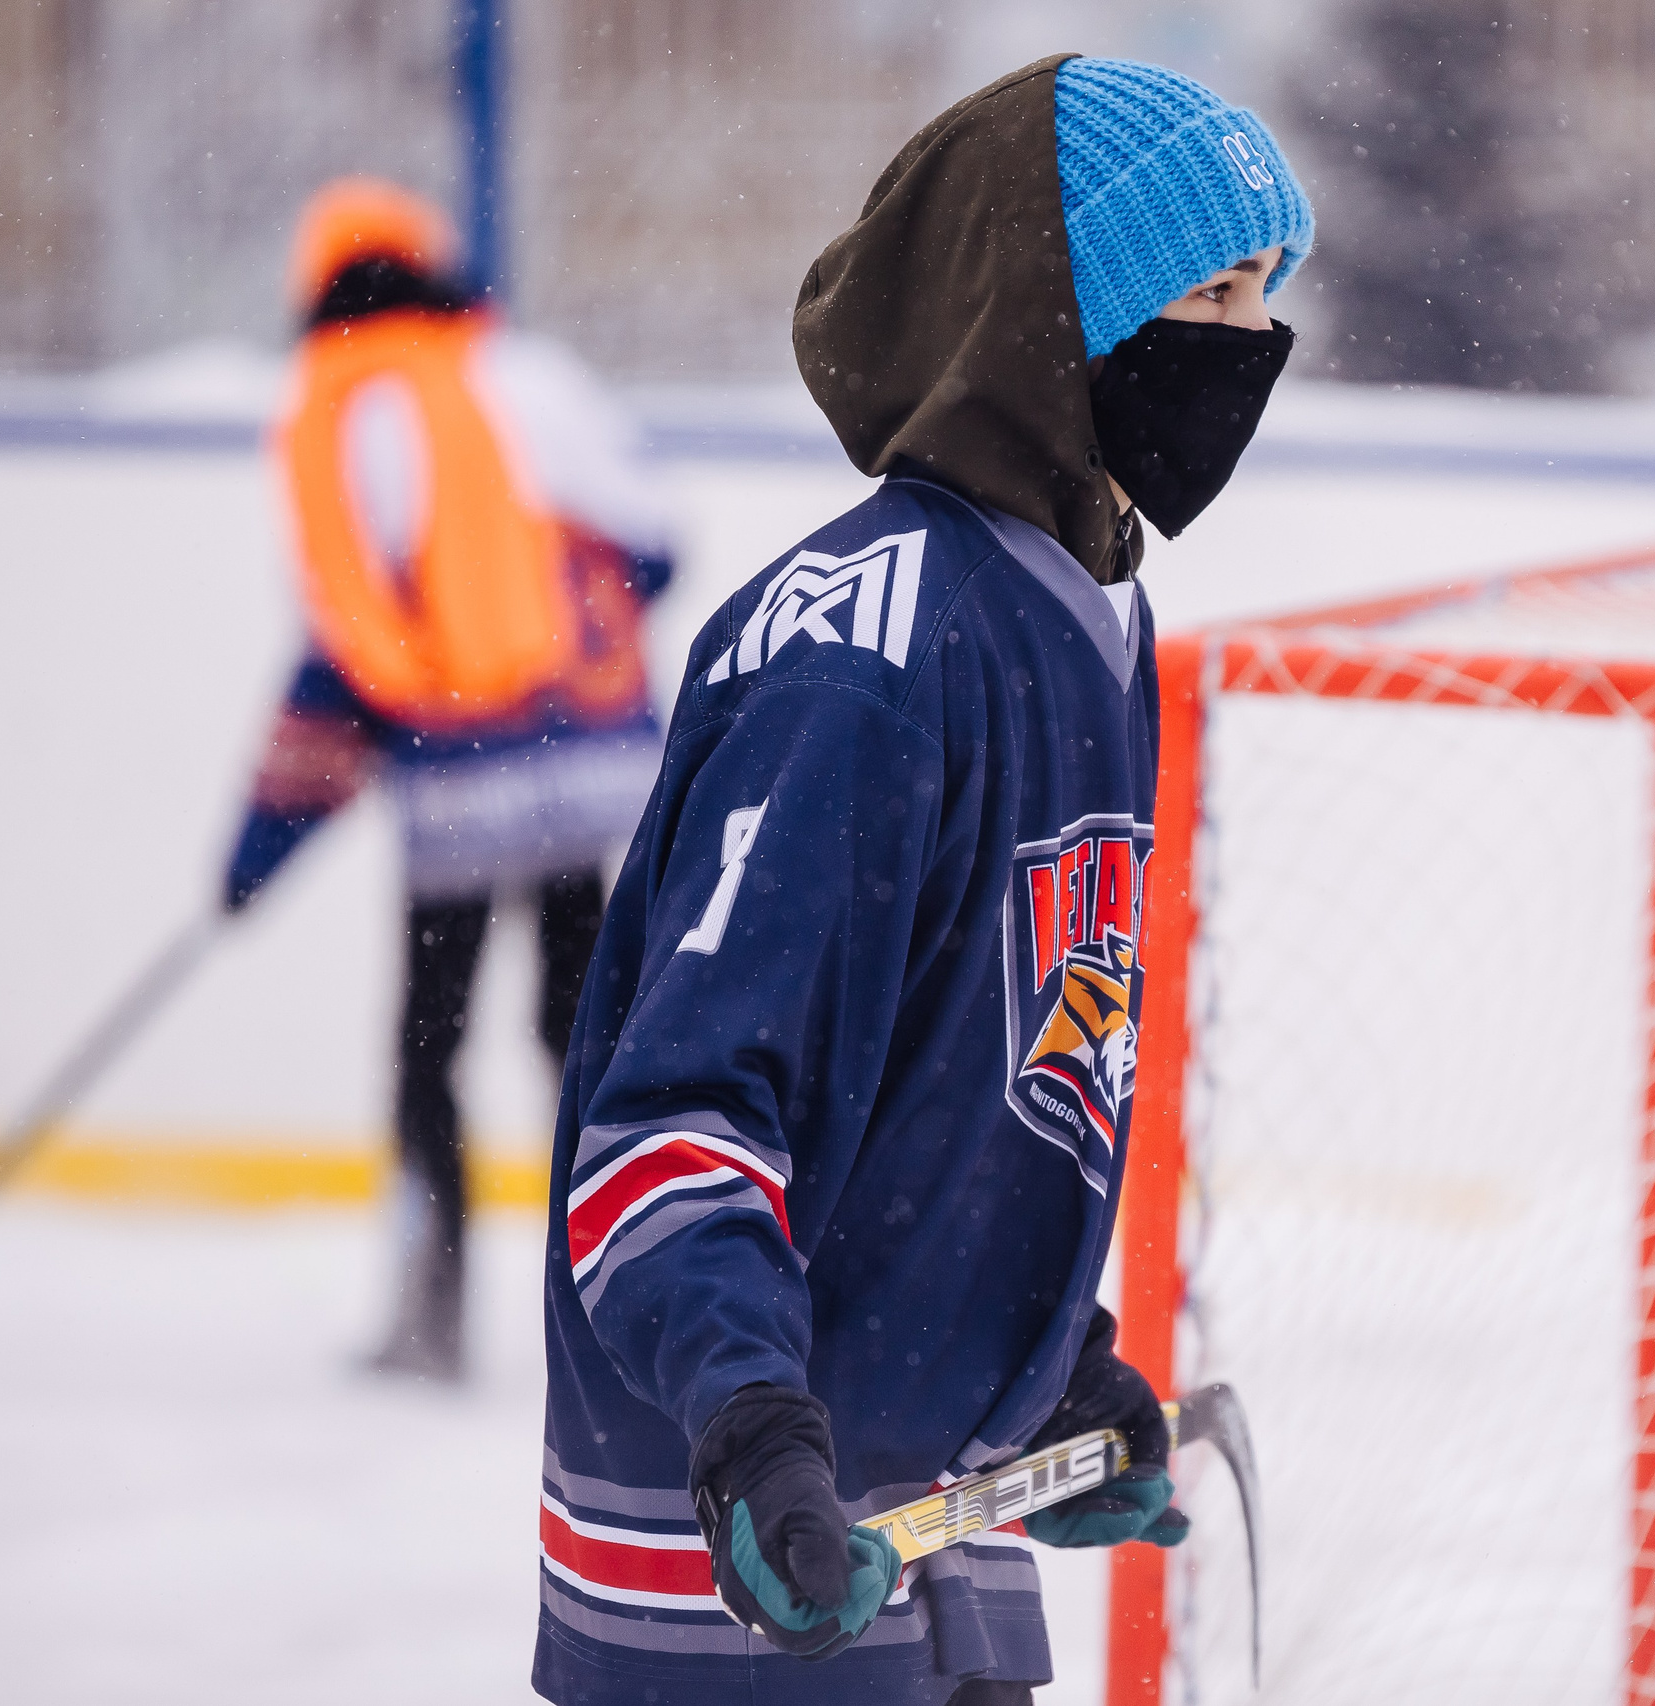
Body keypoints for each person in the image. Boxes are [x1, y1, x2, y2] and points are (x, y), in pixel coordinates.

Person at [531, 55, 1309, 1705]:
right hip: (748, 1553)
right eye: (1207, 292)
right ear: (1053, 320)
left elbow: (986, 1073)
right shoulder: (863, 648)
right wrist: (749, 1425)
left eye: (1261, 292)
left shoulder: (1095, 616)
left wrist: (1044, 1367)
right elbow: (679, 1109)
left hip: (933, 1521)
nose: (1248, 346)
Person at [223, 178, 677, 1383]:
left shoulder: (339, 419)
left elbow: (340, 663)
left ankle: (431, 1315)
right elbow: (655, 546)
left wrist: (255, 854)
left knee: (430, 1045)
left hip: (459, 798)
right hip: (593, 781)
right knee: (581, 1041)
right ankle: (623, 1305)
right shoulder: (531, 380)